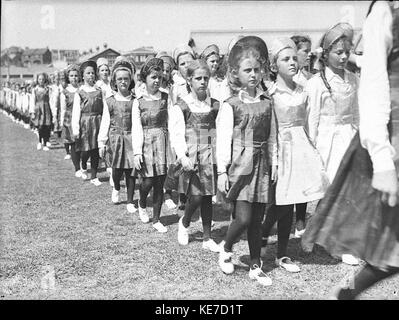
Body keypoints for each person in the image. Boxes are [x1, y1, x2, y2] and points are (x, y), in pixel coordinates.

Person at [303, 0, 399, 299]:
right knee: (389, 241)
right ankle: (344, 294)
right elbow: (374, 86)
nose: (344, 57)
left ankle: (344, 294)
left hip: (359, 133)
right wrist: (382, 160)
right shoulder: (386, 10)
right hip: (386, 136)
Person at [259, 38, 329, 273]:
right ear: (273, 65)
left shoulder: (304, 90)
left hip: (301, 148)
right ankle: (262, 233)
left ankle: (282, 254)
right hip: (282, 151)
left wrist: (314, 150)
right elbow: (271, 131)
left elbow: (309, 123)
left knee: (295, 200)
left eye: (293, 58)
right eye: (284, 59)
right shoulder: (271, 94)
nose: (292, 62)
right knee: (283, 203)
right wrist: (275, 160)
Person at [216, 36, 276, 286]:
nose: (253, 74)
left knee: (257, 220)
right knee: (243, 218)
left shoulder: (266, 103)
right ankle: (227, 248)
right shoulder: (231, 105)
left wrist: (274, 164)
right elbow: (222, 138)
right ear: (236, 74)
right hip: (241, 166)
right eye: (247, 70)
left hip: (261, 166)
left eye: (256, 69)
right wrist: (221, 171)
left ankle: (254, 264)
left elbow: (272, 137)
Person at [305, 22, 361, 266]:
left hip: (349, 137)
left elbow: (357, 114)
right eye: (338, 52)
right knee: (330, 192)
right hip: (327, 141)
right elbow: (312, 120)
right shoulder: (316, 83)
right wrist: (313, 150)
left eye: (346, 52)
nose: (343, 56)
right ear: (326, 54)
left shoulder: (353, 79)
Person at [169, 59, 220, 252]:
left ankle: (207, 236)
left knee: (207, 196)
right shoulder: (182, 106)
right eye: (198, 78)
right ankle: (185, 221)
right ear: (189, 80)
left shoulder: (214, 106)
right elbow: (176, 134)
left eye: (206, 78)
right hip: (192, 155)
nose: (202, 82)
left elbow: (218, 130)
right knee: (196, 196)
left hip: (210, 153)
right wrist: (182, 156)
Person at [132, 57, 170, 233]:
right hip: (146, 142)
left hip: (162, 141)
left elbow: (171, 122)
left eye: (159, 77)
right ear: (145, 78)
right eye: (153, 77)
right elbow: (137, 127)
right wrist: (137, 152)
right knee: (147, 181)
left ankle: (156, 218)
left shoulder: (165, 97)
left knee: (160, 182)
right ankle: (141, 203)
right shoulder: (138, 100)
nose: (157, 81)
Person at [98, 57, 137, 213]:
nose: (123, 82)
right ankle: (116, 188)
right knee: (117, 168)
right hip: (115, 138)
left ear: (130, 81)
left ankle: (130, 200)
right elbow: (105, 122)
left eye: (126, 79)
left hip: (131, 137)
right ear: (114, 81)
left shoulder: (135, 101)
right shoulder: (110, 101)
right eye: (119, 79)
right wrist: (102, 142)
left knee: (131, 170)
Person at [71, 60, 104, 186]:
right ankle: (83, 164)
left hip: (97, 121)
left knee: (95, 150)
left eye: (92, 73)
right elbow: (76, 112)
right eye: (88, 73)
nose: (91, 75)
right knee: (86, 150)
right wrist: (76, 129)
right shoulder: (80, 92)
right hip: (85, 122)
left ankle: (94, 176)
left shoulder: (99, 90)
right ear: (83, 76)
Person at [60, 64, 82, 176]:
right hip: (69, 119)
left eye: (76, 75)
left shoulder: (82, 89)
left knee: (81, 143)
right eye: (72, 76)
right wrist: (61, 122)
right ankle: (77, 167)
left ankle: (82, 164)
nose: (74, 78)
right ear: (68, 77)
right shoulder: (65, 91)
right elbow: (63, 108)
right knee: (73, 143)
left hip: (81, 118)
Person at [29, 73, 52, 151]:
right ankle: (39, 141)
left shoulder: (47, 89)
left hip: (46, 108)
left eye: (42, 79)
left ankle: (45, 143)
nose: (41, 81)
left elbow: (51, 100)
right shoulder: (35, 90)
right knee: (40, 126)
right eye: (39, 79)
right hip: (38, 108)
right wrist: (32, 112)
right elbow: (32, 101)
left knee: (46, 126)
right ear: (37, 80)